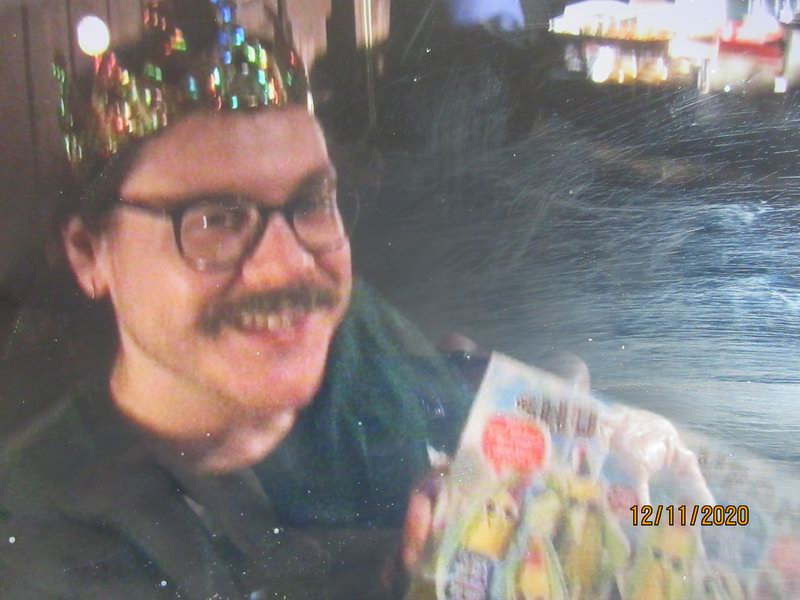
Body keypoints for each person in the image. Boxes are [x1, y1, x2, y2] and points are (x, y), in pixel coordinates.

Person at [0, 2, 472, 598]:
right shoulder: (47, 534)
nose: (290, 265)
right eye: (215, 220)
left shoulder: (358, 327)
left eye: (311, 204)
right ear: (88, 253)